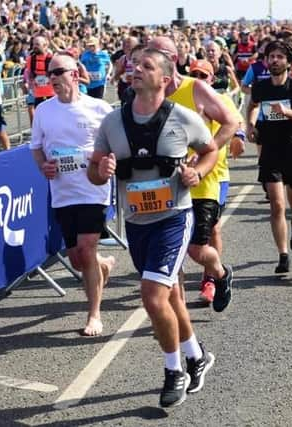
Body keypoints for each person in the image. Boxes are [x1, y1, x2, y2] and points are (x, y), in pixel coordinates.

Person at [87, 48, 218, 408]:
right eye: (133, 66)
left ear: (164, 79)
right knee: (171, 296)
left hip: (174, 217)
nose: (136, 70)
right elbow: (94, 170)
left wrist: (198, 172)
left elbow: (210, 150)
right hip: (136, 221)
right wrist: (103, 171)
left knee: (151, 295)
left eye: (146, 66)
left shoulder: (184, 118)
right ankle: (197, 355)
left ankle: (173, 370)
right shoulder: (112, 122)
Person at [147, 36, 238, 310]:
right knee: (169, 252)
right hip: (166, 184)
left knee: (197, 249)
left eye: (154, 54)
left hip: (202, 181)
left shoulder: (195, 88)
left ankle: (220, 273)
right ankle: (178, 315)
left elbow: (231, 121)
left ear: (172, 59)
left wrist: (203, 155)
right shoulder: (149, 95)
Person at [30, 53, 115, 336]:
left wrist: (103, 160)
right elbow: (36, 147)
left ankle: (94, 315)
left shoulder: (100, 108)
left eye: (58, 72)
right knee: (78, 258)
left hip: (94, 188)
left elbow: (114, 146)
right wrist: (44, 166)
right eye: (49, 73)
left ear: (75, 74)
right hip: (63, 191)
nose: (52, 78)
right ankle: (103, 265)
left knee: (87, 246)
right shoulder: (43, 111)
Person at [246, 40, 292, 273]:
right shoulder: (261, 87)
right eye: (271, 56)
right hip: (270, 149)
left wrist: (287, 112)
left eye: (279, 57)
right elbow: (253, 105)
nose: (274, 60)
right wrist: (251, 124)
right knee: (276, 205)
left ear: (288, 62)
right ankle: (283, 255)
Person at [187, 59, 244, 305]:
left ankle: (210, 279)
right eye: (194, 73)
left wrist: (239, 138)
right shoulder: (183, 100)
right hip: (184, 178)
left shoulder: (223, 101)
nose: (199, 77)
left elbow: (236, 129)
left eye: (204, 74)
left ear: (212, 78)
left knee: (213, 229)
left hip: (215, 176)